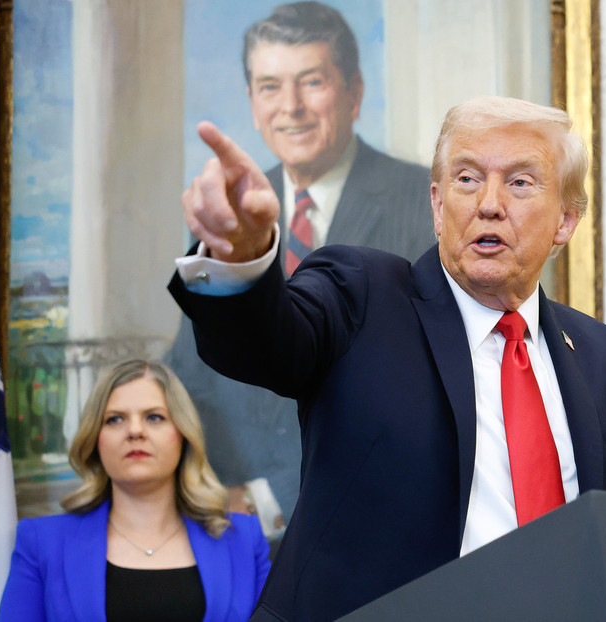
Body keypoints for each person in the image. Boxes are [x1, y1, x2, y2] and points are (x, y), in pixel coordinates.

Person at [169, 95, 606, 620]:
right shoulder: (363, 295)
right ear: (437, 202)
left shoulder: (598, 354)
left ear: (566, 219)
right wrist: (241, 255)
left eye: (521, 183)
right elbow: (264, 343)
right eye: (468, 178)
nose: (489, 204)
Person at [164, 0, 436, 532]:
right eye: (270, 87)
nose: (291, 107)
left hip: (374, 527)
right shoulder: (230, 210)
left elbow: (420, 389)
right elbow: (192, 375)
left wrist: (267, 498)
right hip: (228, 534)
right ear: (252, 100)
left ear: (354, 93)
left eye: (312, 82)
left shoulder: (425, 203)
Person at [0, 360, 270, 621]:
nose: (135, 431)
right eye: (115, 419)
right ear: (95, 439)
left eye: (154, 417)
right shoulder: (42, 543)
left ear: (183, 435)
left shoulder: (244, 540)